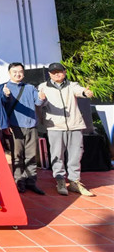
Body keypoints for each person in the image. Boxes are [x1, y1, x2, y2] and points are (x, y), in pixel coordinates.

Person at [39, 62, 95, 197]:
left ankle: (74, 181)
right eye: (54, 72)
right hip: (55, 126)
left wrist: (86, 92)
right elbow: (39, 102)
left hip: (74, 124)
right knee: (57, 154)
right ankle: (60, 180)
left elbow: (80, 91)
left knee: (76, 153)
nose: (57, 74)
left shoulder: (72, 85)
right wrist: (40, 99)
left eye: (59, 71)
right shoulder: (43, 87)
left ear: (64, 72)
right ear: (49, 74)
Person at [2, 62, 47, 195]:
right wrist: (5, 96)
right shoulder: (4, 87)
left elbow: (38, 102)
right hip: (15, 126)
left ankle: (31, 181)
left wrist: (41, 98)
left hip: (31, 125)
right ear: (9, 73)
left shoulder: (30, 87)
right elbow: (2, 106)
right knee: (17, 156)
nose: (18, 74)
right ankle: (19, 181)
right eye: (15, 72)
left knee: (31, 155)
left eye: (20, 72)